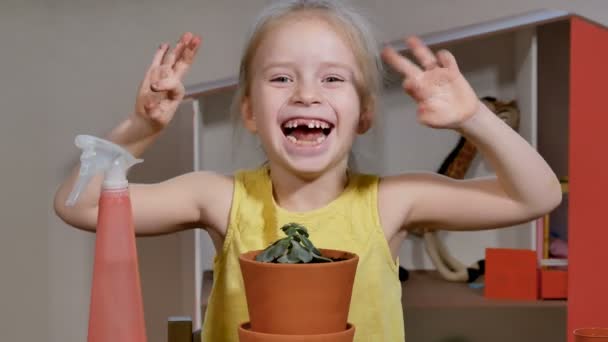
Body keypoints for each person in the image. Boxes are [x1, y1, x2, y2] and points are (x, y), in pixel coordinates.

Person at [53, 0, 562, 340]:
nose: (306, 93)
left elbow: (536, 197)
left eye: (333, 78)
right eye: (280, 77)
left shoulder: (391, 202)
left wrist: (474, 118)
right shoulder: (219, 198)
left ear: (363, 114)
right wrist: (139, 129)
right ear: (250, 111)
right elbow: (81, 205)